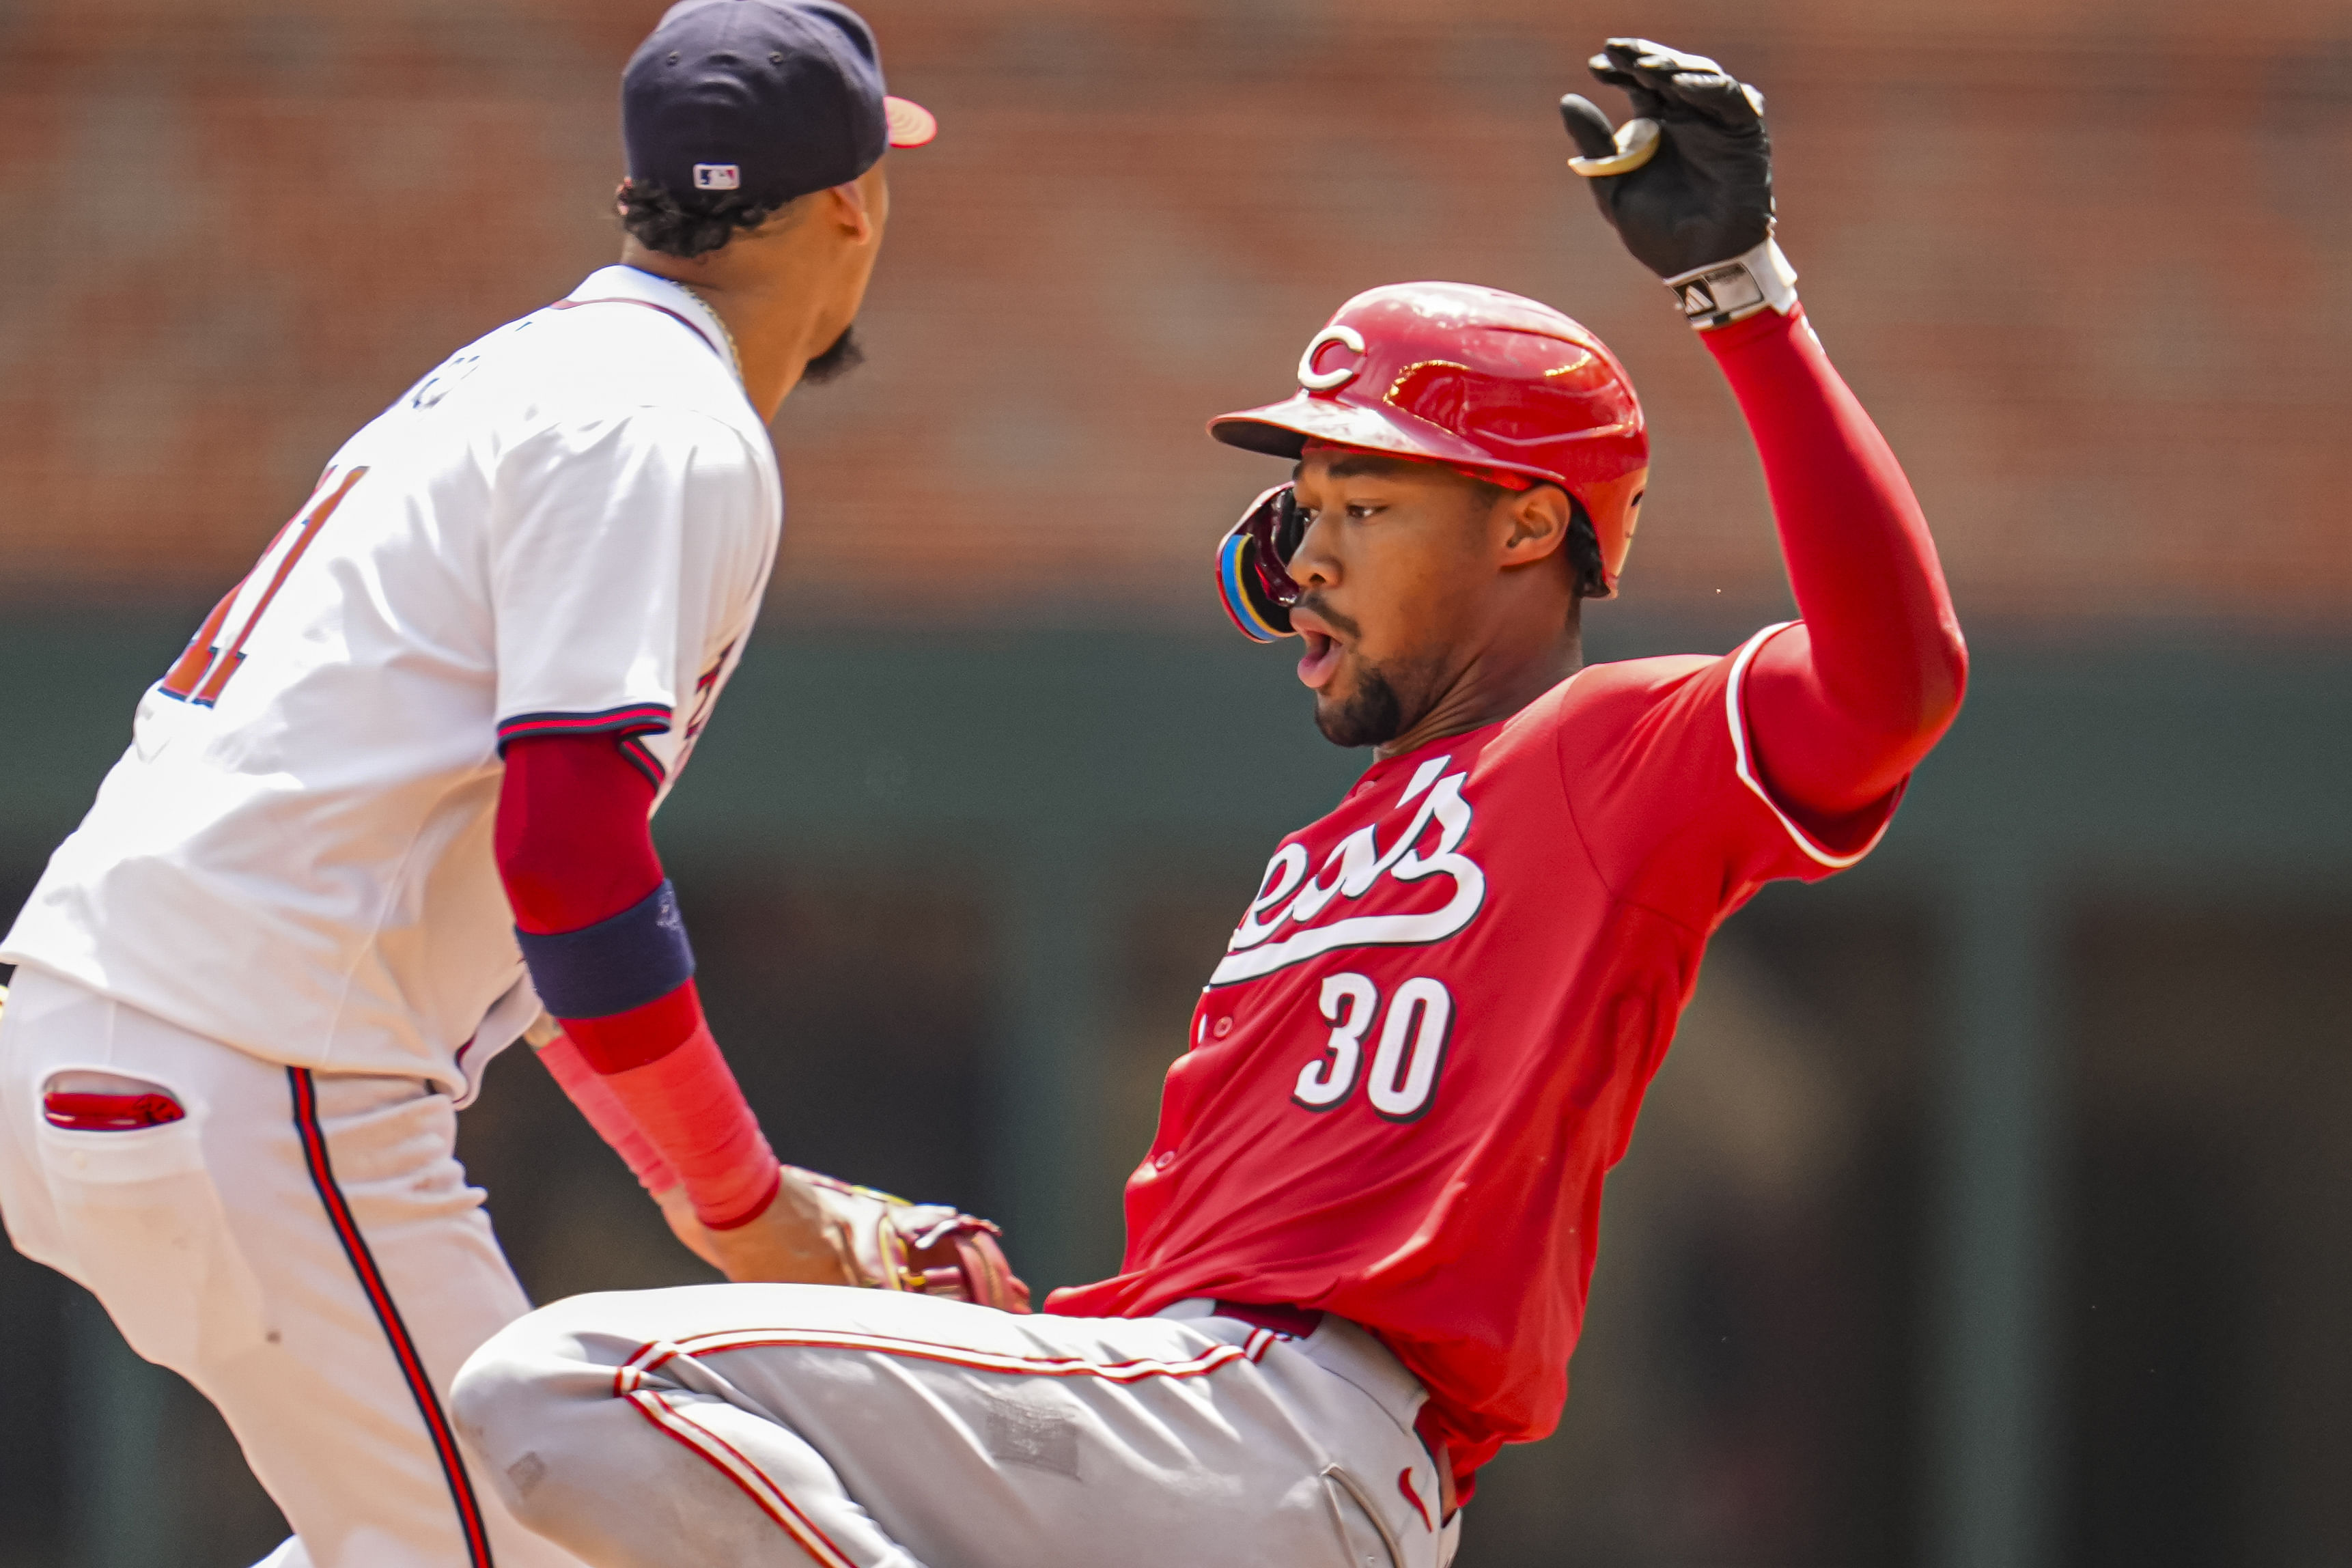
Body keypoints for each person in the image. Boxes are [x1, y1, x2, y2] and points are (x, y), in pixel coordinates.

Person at [447, 38, 1968, 1568]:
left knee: (565, 1384)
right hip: (1194, 1421)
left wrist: (1747, 301)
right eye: (1303, 510)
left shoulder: (1611, 746)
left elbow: (1894, 681)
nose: (1311, 553)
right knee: (446, 1527)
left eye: (1366, 506)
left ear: (1528, 523)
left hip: (1285, 1421)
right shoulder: (1330, 841)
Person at [0, 6, 1017, 1567]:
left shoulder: (538, 370)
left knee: (458, 1530)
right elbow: (570, 859)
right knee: (571, 1538)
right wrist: (743, 1202)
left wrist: (706, 1182)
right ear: (851, 207)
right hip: (263, 1071)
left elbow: (529, 893)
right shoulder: (666, 426)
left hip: (145, 1033)